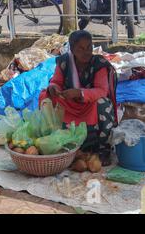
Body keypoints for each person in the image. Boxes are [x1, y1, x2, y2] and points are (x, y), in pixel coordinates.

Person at [39, 30, 118, 166]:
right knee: (45, 97)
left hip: (90, 104)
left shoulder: (99, 64)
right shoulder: (64, 62)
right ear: (72, 49)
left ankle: (103, 149)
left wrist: (80, 93)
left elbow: (102, 91)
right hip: (70, 104)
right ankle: (60, 145)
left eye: (89, 47)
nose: (86, 52)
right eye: (80, 48)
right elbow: (56, 81)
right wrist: (53, 88)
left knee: (103, 104)